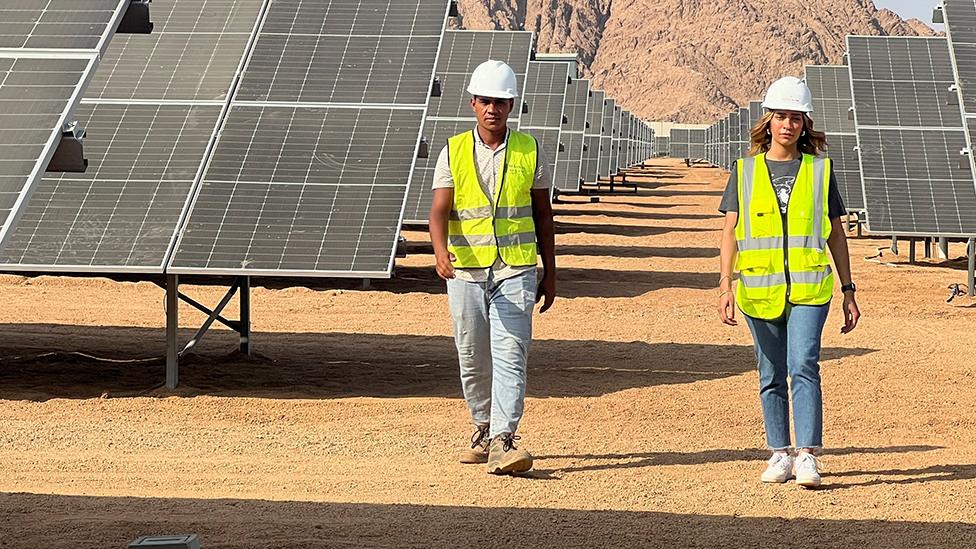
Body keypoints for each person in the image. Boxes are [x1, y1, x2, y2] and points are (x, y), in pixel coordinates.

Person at [717, 76, 861, 488]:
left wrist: (849, 290)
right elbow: (730, 233)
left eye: (796, 118)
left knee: (803, 365)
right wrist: (725, 285)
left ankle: (807, 455)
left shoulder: (820, 170)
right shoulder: (744, 172)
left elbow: (835, 233)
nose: (788, 124)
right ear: (768, 121)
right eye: (781, 116)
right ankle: (779, 452)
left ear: (805, 124)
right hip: (759, 290)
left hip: (810, 289)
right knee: (770, 372)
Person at [428, 60, 557, 475]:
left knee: (511, 353)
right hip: (466, 270)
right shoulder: (453, 150)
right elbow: (439, 210)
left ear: (511, 105)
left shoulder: (529, 149)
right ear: (472, 103)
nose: (493, 109)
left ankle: (505, 439)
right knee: (473, 356)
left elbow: (543, 214)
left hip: (515, 269)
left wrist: (550, 271)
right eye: (486, 101)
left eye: (501, 102)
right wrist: (439, 251)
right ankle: (481, 428)